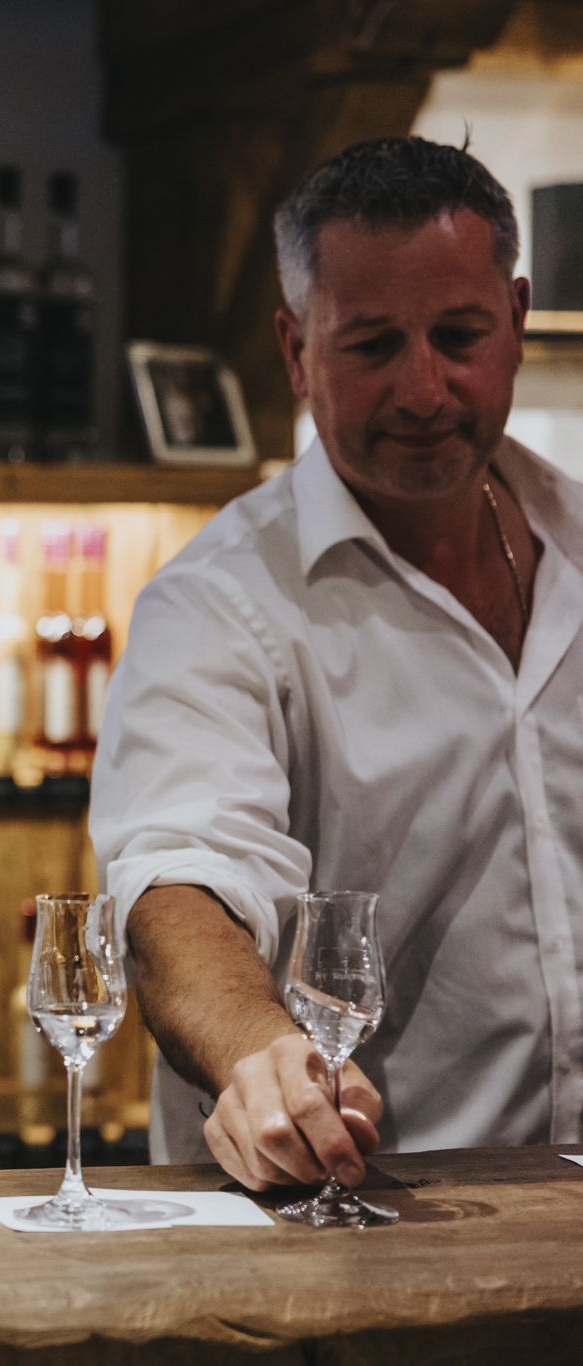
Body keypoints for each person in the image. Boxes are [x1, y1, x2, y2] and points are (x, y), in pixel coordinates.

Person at [91, 136, 583, 1193]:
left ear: (514, 318)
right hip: (348, 1232)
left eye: (457, 335)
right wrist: (256, 1054)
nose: (421, 388)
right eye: (369, 346)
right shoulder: (217, 603)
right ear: (293, 348)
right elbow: (181, 876)